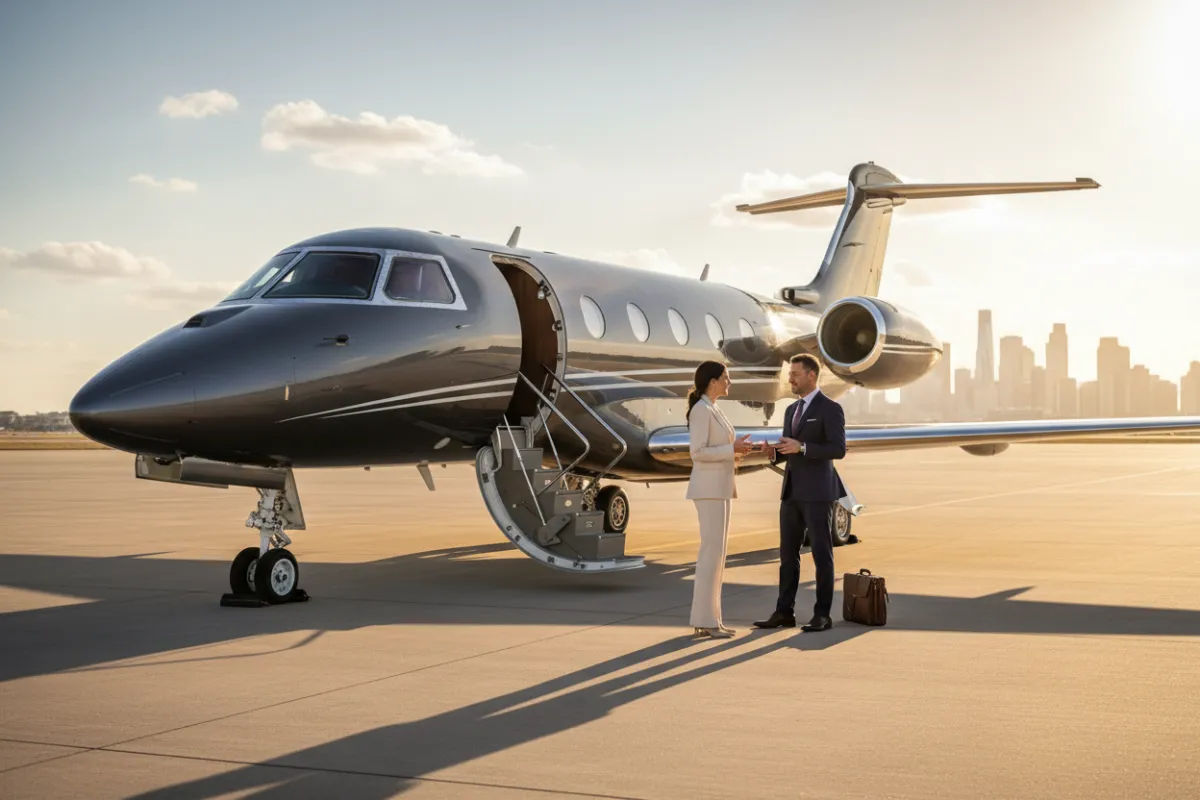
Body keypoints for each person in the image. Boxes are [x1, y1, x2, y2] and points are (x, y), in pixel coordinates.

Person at [754, 353, 846, 633]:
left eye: (795, 374)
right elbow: (788, 448)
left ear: (811, 376)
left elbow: (837, 449)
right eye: (789, 374)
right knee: (787, 556)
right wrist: (772, 453)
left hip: (818, 493)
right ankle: (784, 612)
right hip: (792, 492)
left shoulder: (830, 408)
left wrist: (803, 448)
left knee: (821, 555)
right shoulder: (790, 410)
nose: (790, 379)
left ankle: (822, 615)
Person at [685, 360, 756, 638]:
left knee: (718, 556)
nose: (730, 382)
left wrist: (737, 451)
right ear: (713, 381)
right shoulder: (701, 410)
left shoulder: (714, 408)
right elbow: (698, 452)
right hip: (708, 489)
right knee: (710, 556)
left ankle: (712, 619)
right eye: (726, 377)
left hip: (721, 487)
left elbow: (719, 448)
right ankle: (705, 621)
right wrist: (731, 448)